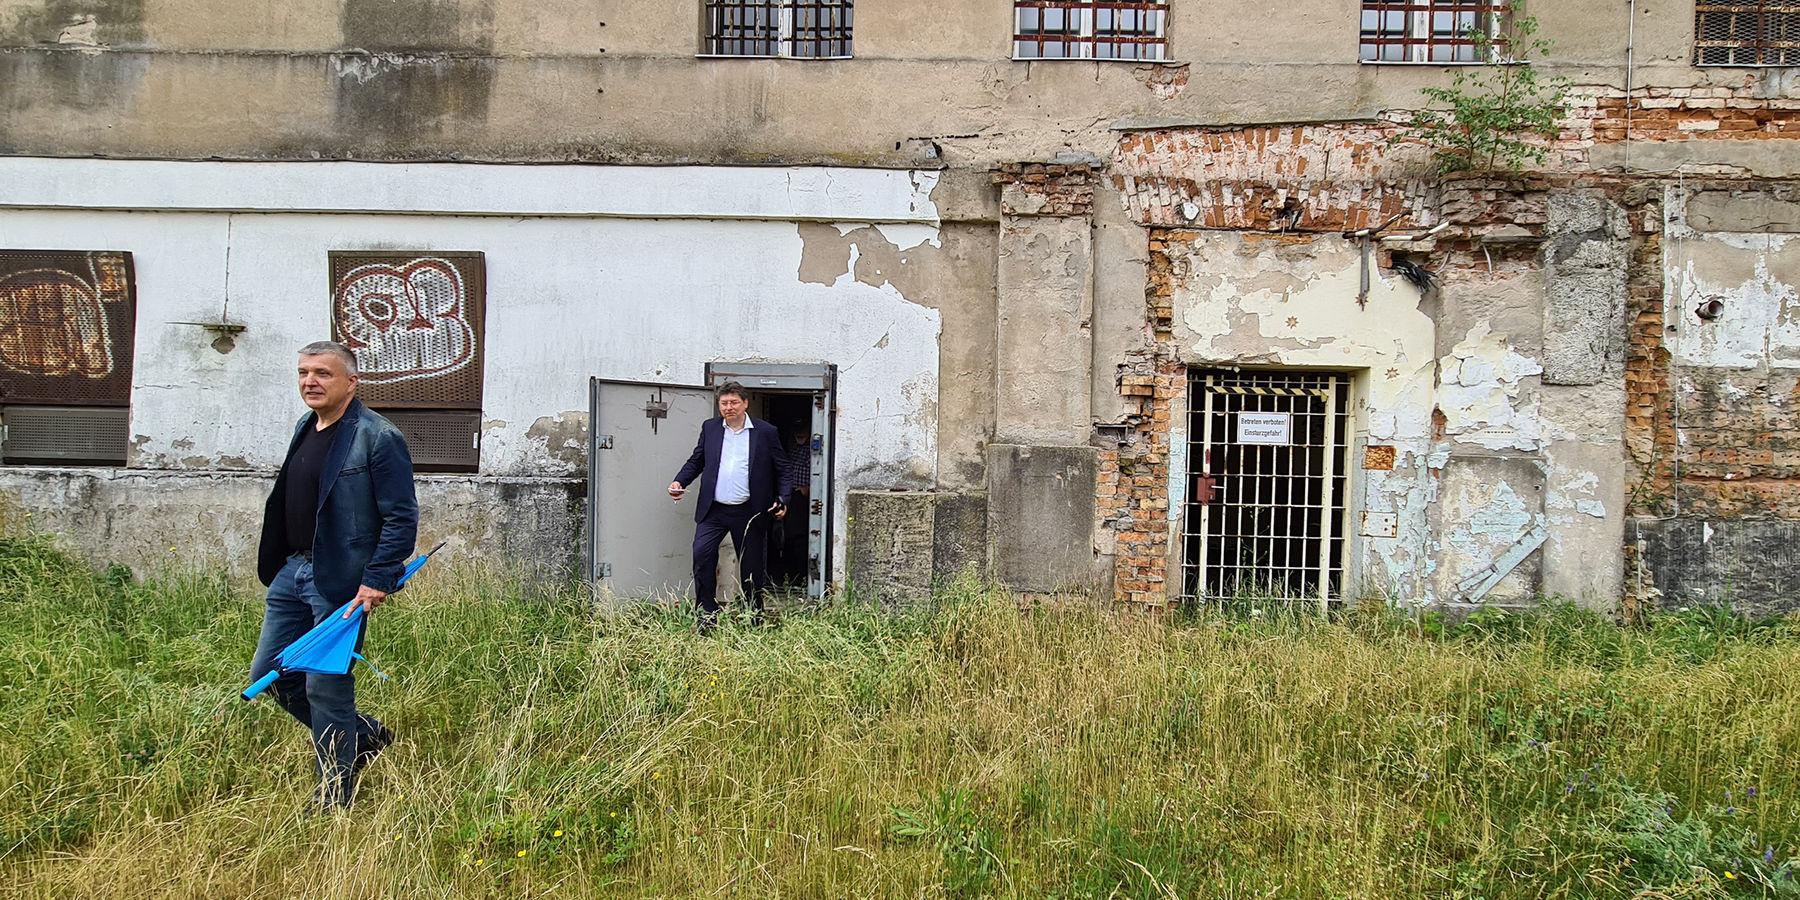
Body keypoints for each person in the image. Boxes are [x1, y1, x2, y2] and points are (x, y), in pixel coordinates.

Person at [249, 340, 418, 810]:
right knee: (273, 676)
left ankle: (334, 794)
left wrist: (378, 577)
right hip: (292, 571)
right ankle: (360, 734)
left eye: (322, 373)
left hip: (341, 580)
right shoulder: (307, 425)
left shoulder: (378, 436)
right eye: (304, 372)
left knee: (326, 686)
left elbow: (401, 517)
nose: (310, 381)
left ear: (352, 381)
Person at [668, 382, 796, 630]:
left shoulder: (765, 432)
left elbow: (784, 468)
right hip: (713, 510)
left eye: (734, 402)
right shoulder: (711, 428)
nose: (729, 408)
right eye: (724, 403)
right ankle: (707, 616)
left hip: (749, 510)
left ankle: (752, 619)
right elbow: (697, 460)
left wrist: (784, 498)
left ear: (745, 403)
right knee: (702, 557)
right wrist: (679, 481)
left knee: (750, 568)